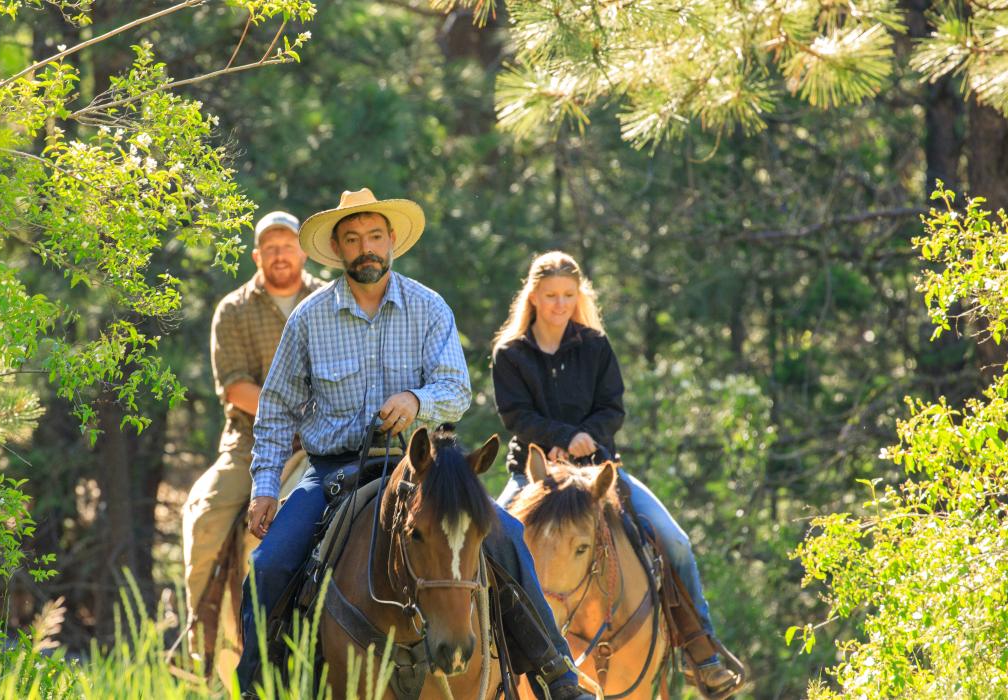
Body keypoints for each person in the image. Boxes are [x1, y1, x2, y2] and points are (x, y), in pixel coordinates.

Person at [237, 189, 591, 699]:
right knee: (267, 566)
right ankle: (258, 687)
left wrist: (415, 400)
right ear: (337, 249)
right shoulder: (309, 318)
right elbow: (275, 411)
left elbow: (457, 390)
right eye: (352, 239)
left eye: (374, 236)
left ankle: (557, 675)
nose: (366, 248)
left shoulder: (428, 307)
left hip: (427, 466)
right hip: (335, 469)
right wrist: (266, 487)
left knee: (508, 536)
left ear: (392, 241)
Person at [491, 250, 744, 697]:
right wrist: (564, 437)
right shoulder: (510, 353)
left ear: (579, 295)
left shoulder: (595, 346)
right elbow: (515, 415)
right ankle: (488, 662)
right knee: (490, 548)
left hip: (596, 472)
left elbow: (612, 408)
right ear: (532, 297)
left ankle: (702, 652)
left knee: (675, 541)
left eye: (568, 295)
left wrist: (586, 438)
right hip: (535, 477)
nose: (560, 304)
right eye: (551, 295)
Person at [181, 211, 322, 679]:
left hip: (318, 442)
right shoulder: (234, 309)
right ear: (257, 256)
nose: (281, 255)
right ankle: (200, 641)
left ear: (303, 252)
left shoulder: (328, 299)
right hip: (250, 442)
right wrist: (288, 416)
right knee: (205, 514)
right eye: (271, 248)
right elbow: (236, 387)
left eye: (288, 246)